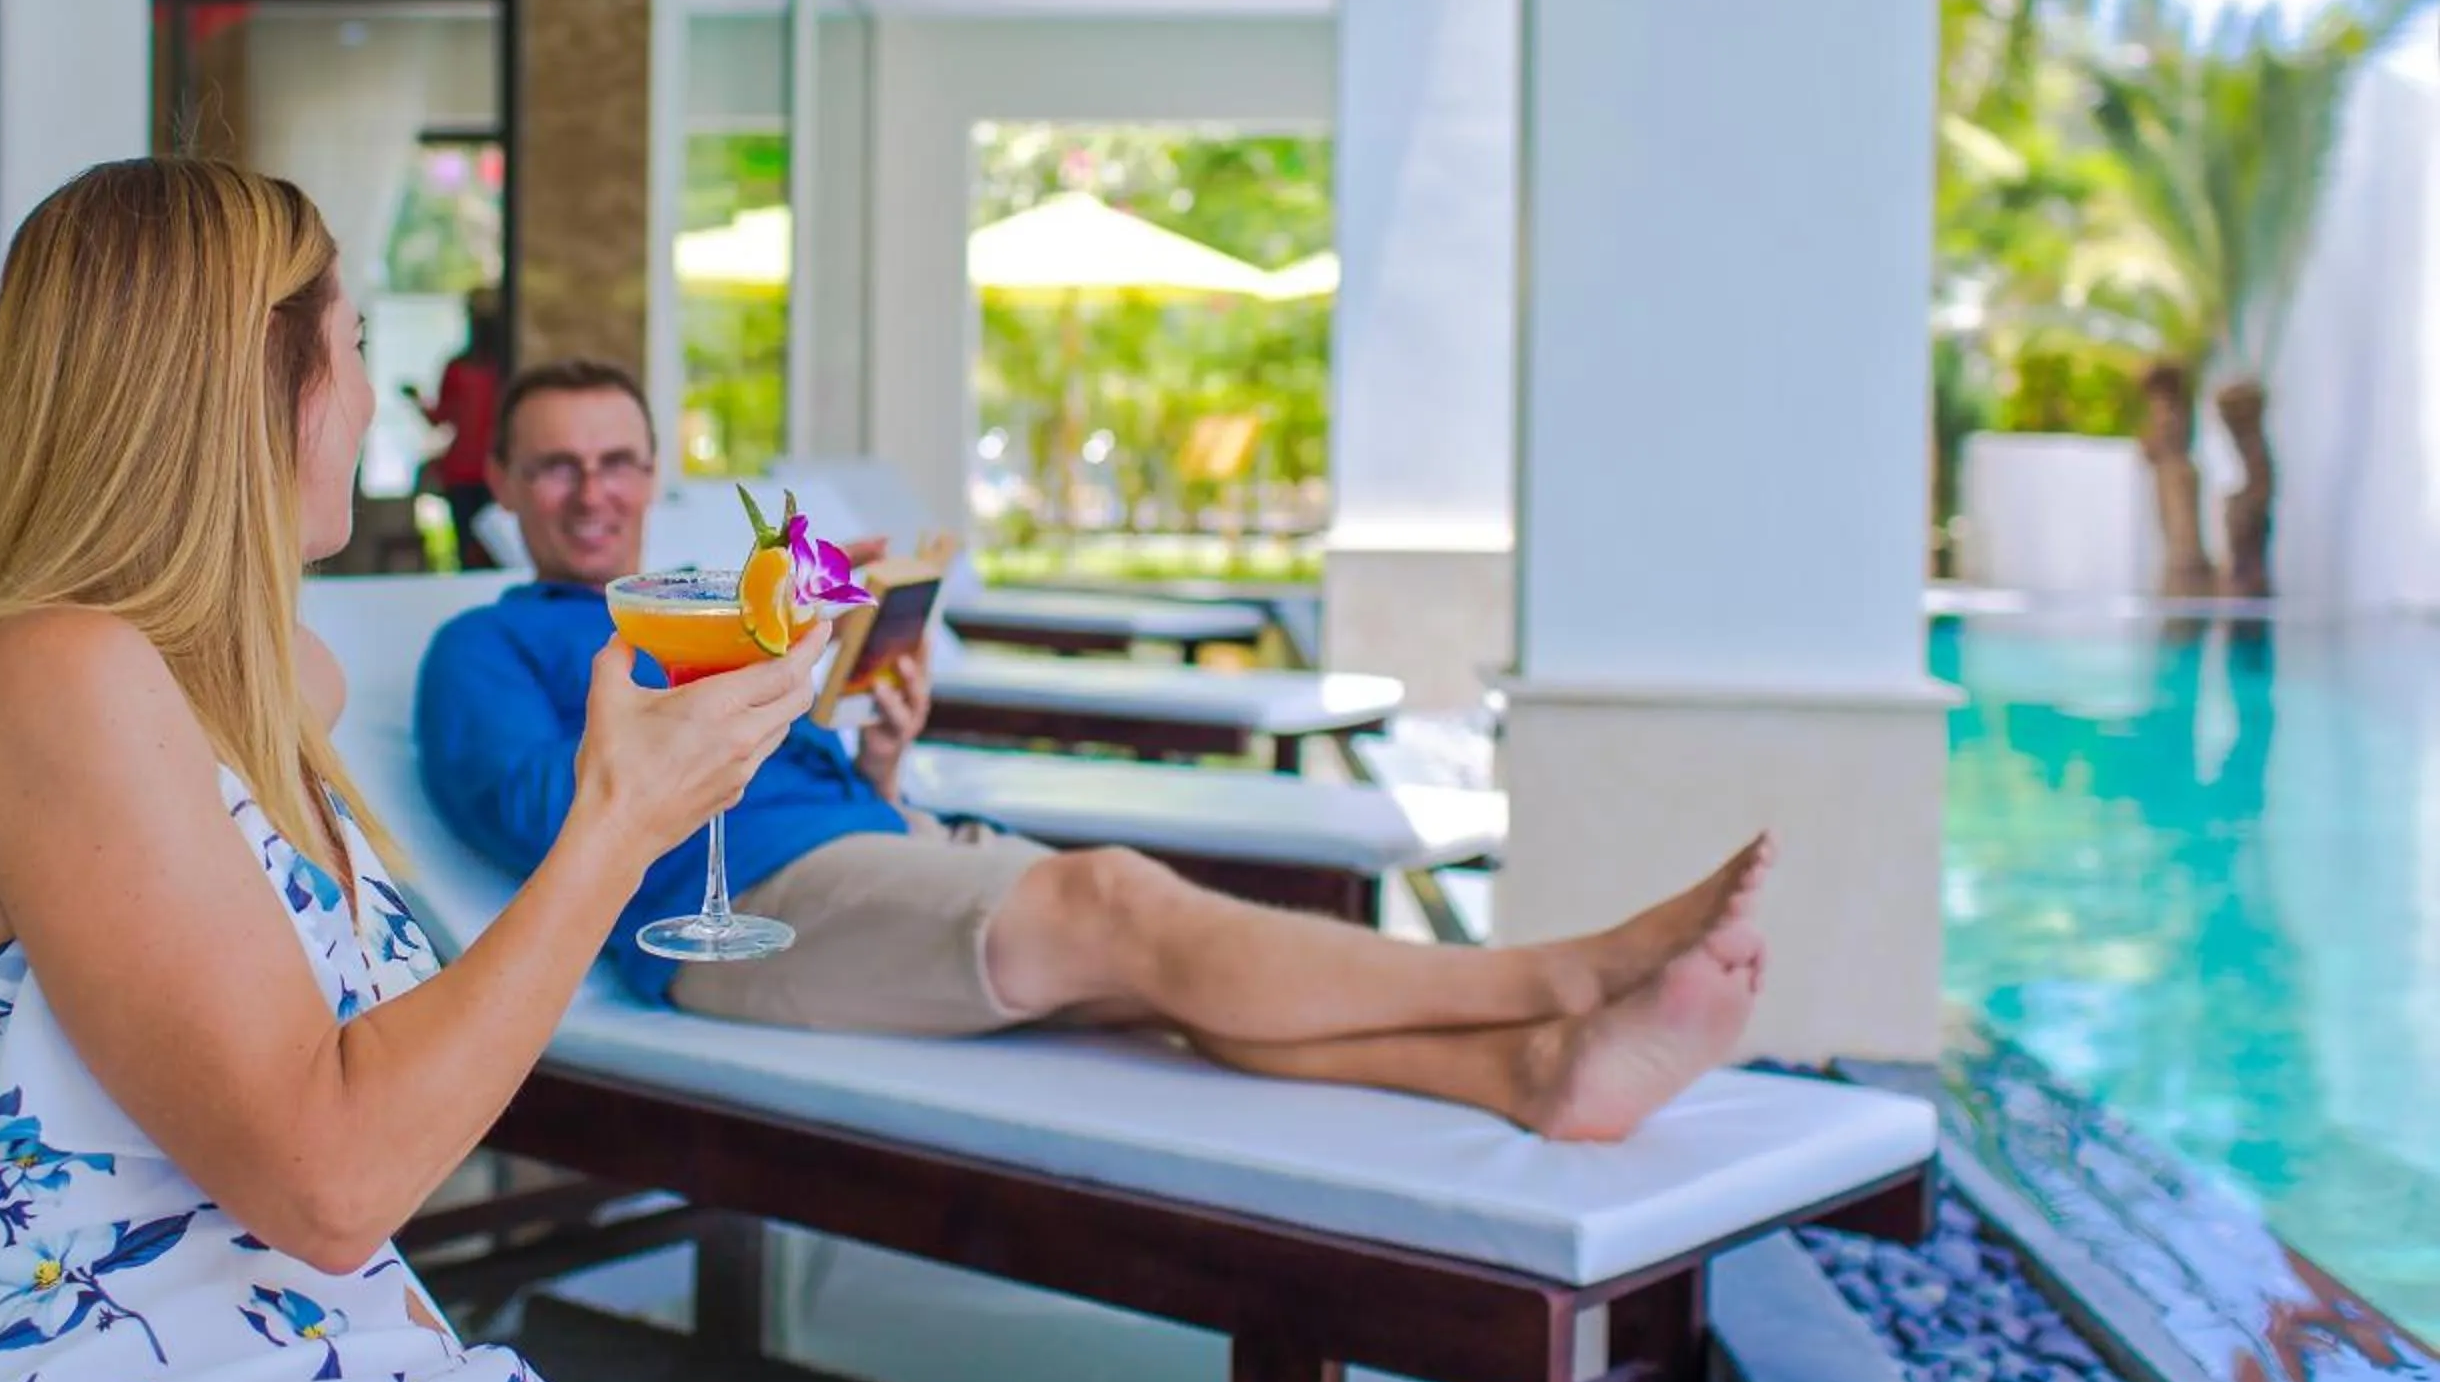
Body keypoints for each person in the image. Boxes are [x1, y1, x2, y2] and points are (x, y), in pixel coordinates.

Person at [0, 160, 1031, 1382]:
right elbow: (332, 1185)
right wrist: (620, 824)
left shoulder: (276, 696)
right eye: (353, 347)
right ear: (247, 386)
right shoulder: (46, 682)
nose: (369, 401)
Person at [422, 361, 1770, 1143]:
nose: (593, 492)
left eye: (618, 460)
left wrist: (875, 749)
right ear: (500, 485)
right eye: (553, 468)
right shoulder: (486, 649)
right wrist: (736, 703)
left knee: (1166, 980)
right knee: (1120, 900)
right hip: (740, 928)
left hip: (880, 855)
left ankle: (1538, 1077)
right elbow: (555, 817)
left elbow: (788, 781)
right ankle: (1557, 973)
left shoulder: (718, 598)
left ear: (657, 472)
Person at [403, 290, 505, 570]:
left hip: (467, 471)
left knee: (469, 554)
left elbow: (440, 419)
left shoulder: (460, 368)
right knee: (497, 555)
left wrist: (417, 400)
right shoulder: (503, 369)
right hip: (491, 471)